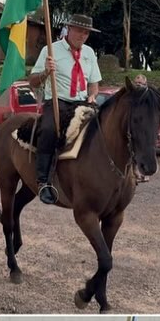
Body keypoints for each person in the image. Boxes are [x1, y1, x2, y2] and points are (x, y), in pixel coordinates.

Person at [27, 14, 102, 204]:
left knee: (102, 129)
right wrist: (45, 72)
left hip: (82, 102)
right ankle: (43, 181)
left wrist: (93, 95)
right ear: (69, 29)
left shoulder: (90, 53)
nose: (82, 36)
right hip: (57, 101)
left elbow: (94, 83)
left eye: (86, 33)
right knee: (49, 129)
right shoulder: (50, 50)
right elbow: (32, 81)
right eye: (79, 31)